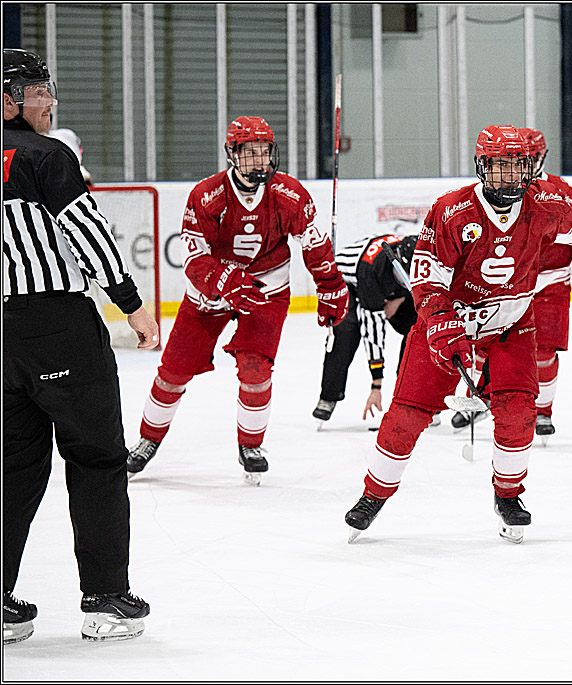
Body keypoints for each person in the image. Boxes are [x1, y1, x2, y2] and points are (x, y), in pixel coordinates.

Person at [343, 124, 572, 544]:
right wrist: (441, 324)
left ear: (530, 166)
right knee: (407, 414)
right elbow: (427, 280)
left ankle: (508, 495)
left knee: (517, 414)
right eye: (499, 166)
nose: (509, 176)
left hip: (511, 323)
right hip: (448, 325)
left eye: (517, 166)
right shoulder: (451, 211)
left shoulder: (547, 205)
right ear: (482, 166)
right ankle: (374, 495)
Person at [3, 48, 159, 644]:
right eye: (40, 91)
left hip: (4, 338)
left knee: (13, 470)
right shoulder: (47, 156)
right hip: (59, 329)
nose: (50, 101)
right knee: (96, 457)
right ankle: (104, 599)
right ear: (13, 98)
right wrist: (133, 306)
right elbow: (89, 231)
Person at [125, 116, 349, 485]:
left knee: (256, 368)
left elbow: (315, 243)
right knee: (174, 371)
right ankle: (147, 440)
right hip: (211, 294)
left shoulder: (289, 194)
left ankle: (251, 445)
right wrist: (224, 279)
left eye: (265, 152)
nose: (260, 161)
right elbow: (194, 259)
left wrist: (330, 287)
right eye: (251, 153)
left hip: (265, 289)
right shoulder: (207, 194)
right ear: (232, 154)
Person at [450, 127, 572, 440]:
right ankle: (476, 396)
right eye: (519, 158)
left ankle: (543, 411)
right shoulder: (495, 189)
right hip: (504, 283)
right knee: (484, 343)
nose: (525, 164)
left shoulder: (558, 190)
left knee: (544, 350)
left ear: (541, 156)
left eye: (530, 158)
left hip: (550, 284)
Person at [313, 232, 418, 424]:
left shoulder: (419, 255)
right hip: (350, 284)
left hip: (392, 289)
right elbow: (374, 333)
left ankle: (410, 394)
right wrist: (376, 385)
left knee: (418, 329)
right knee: (346, 333)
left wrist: (400, 298)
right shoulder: (372, 270)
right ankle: (329, 395)